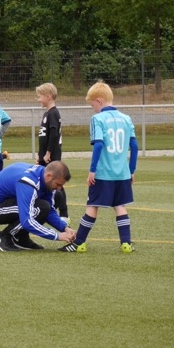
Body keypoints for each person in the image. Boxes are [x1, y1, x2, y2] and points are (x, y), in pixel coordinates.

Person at [59, 80, 138, 253]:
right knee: (120, 206)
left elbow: (99, 145)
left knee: (92, 206)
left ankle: (79, 243)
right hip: (122, 173)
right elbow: (134, 146)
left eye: (92, 105)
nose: (93, 108)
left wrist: (92, 170)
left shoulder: (98, 119)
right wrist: (131, 170)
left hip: (103, 173)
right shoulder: (126, 119)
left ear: (99, 101)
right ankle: (126, 243)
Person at [0, 161, 77, 252]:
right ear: (49, 176)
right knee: (39, 208)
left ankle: (21, 238)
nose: (59, 188)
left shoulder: (44, 175)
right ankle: (4, 237)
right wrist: (57, 236)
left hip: (8, 200)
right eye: (58, 184)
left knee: (55, 197)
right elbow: (27, 221)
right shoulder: (28, 182)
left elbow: (50, 211)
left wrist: (65, 228)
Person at [36, 82, 69, 223]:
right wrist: (40, 155)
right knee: (47, 182)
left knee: (57, 183)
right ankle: (48, 208)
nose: (38, 99)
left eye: (39, 97)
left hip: (51, 157)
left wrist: (48, 152)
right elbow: (44, 136)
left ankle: (64, 213)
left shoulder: (53, 113)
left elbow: (54, 134)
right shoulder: (47, 113)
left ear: (48, 96)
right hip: (45, 156)